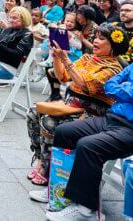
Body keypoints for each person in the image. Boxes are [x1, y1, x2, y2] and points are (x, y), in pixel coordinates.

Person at [45, 32, 133, 221]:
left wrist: (127, 92)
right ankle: (60, 190)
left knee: (89, 146)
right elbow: (110, 86)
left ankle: (86, 210)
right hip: (112, 118)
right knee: (64, 132)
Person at [26, 23, 127, 188]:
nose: (95, 40)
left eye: (102, 39)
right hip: (70, 105)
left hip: (92, 113)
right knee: (32, 113)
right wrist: (58, 58)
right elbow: (64, 77)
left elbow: (85, 84)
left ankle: (48, 166)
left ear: (113, 45)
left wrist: (66, 60)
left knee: (49, 122)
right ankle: (41, 158)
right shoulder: (87, 58)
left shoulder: (113, 68)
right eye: (96, 37)